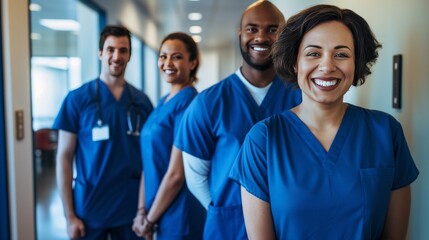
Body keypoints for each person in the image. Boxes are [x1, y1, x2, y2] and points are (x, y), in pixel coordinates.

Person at [229, 4, 420, 239]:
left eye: (341, 54)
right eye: (313, 53)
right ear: (294, 62)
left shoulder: (386, 132)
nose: (328, 66)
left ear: (356, 62)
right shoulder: (263, 140)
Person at [174, 1, 302, 239]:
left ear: (283, 36)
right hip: (228, 227)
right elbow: (195, 177)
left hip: (289, 226)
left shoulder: (301, 97)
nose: (261, 37)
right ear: (240, 33)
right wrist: (225, 209)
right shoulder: (208, 103)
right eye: (252, 29)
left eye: (272, 29)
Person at [53, 25, 153, 239]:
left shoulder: (141, 102)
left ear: (129, 55)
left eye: (123, 50)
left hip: (130, 209)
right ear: (100, 53)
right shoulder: (77, 99)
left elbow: (148, 160)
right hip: (89, 208)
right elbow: (64, 157)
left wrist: (144, 211)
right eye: (110, 49)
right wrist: (69, 215)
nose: (116, 56)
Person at [131, 32, 205, 240]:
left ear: (192, 63)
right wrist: (141, 211)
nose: (167, 62)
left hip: (178, 214)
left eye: (177, 57)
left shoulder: (190, 103)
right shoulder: (164, 101)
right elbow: (149, 161)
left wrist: (149, 220)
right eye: (163, 56)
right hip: (155, 210)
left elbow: (176, 174)